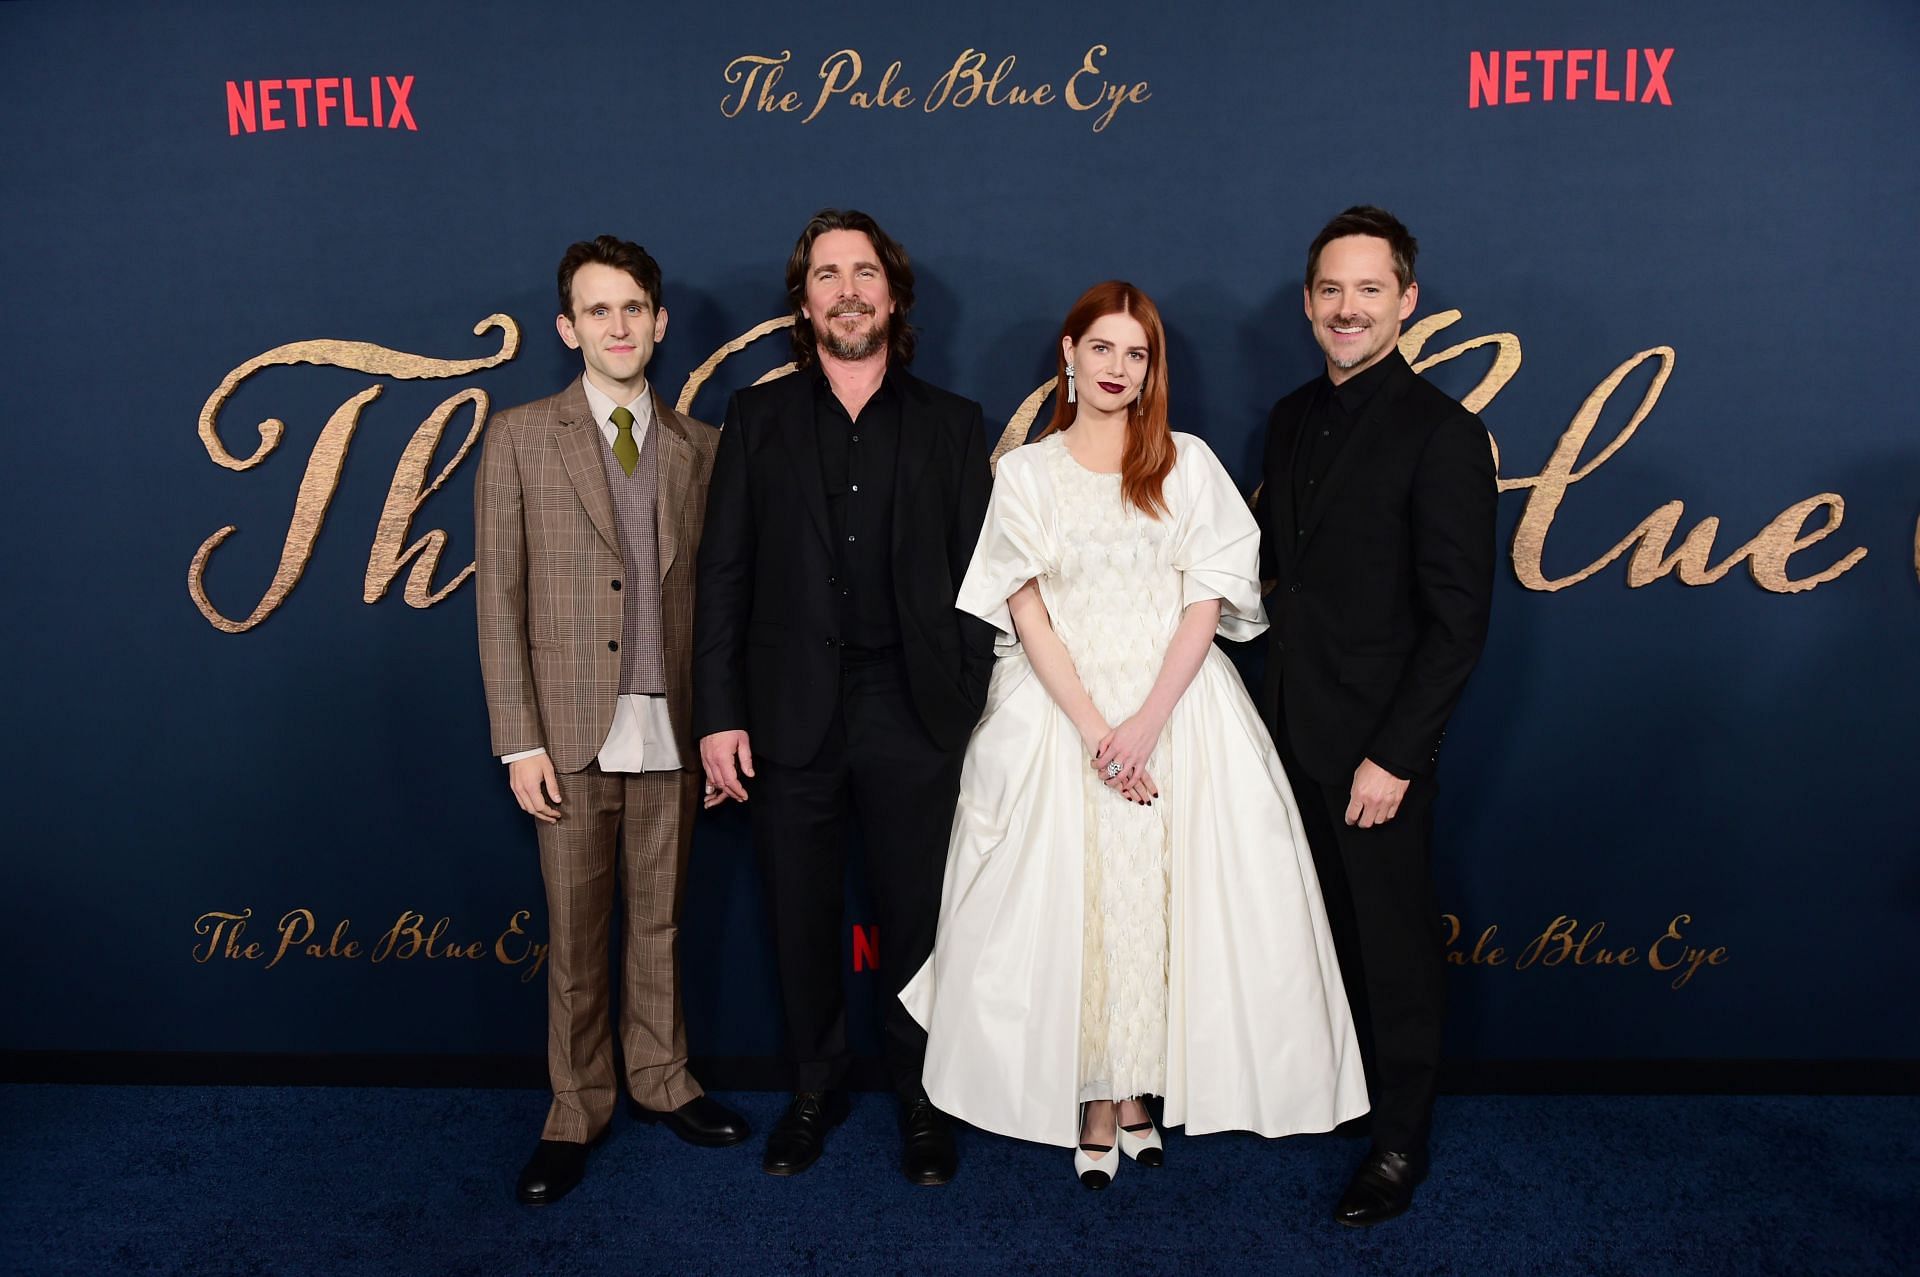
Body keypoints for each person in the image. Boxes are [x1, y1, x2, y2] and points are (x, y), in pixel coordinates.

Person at [900, 281, 1368, 1189]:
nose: (1119, 368)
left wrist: (1147, 723)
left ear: (1153, 369)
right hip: (1057, 710)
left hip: (1178, 707)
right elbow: (1022, 603)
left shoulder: (1186, 463)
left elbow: (1209, 594)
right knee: (1074, 902)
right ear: (1068, 354)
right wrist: (1093, 730)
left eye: (1137, 354)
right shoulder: (1027, 473)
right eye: (1103, 348)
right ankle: (1091, 1091)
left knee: (1165, 901)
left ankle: (1143, 1090)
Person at [692, 209, 994, 1184]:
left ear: (893, 295)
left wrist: (966, 695)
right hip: (789, 710)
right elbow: (723, 575)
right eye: (827, 274)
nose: (848, 289)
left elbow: (981, 580)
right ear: (804, 300)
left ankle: (923, 1097)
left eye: (864, 272)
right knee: (802, 910)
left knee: (918, 917)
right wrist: (719, 712)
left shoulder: (951, 423)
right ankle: (814, 1090)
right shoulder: (756, 418)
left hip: (912, 706)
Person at [475, 235, 749, 1206]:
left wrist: (722, 721)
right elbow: (498, 598)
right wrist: (519, 737)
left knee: (661, 921)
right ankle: (575, 1106)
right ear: (568, 327)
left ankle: (665, 1078)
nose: (619, 325)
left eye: (633, 308)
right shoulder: (518, 437)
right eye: (598, 310)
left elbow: (721, 607)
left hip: (672, 724)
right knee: (578, 928)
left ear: (660, 322)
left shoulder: (702, 448)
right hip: (567, 730)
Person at [1257, 206, 1497, 1226]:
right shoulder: (1287, 417)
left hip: (1376, 754)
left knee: (1394, 946)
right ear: (1309, 304)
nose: (1346, 308)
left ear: (1406, 300)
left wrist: (1395, 756)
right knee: (1321, 937)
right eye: (1329, 290)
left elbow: (1458, 623)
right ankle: (1344, 1096)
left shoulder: (1443, 433)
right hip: (1284, 731)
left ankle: (1400, 1138)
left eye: (1368, 289)